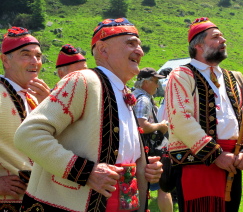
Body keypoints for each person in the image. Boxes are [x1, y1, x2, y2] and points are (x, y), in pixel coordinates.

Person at [14, 18, 163, 212]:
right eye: (130, 43)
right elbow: (28, 134)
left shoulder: (122, 92)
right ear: (103, 49)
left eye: (139, 45)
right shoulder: (83, 81)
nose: (140, 51)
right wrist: (86, 172)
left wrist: (144, 170)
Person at [165, 17, 243, 212]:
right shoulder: (181, 75)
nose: (224, 40)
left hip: (233, 163)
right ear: (199, 45)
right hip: (196, 163)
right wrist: (216, 154)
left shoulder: (234, 77)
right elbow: (180, 119)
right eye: (216, 37)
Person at [0, 26, 50, 211]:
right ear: (5, 60)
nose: (35, 62)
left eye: (38, 56)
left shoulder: (34, 97)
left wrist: (49, 105)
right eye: (26, 55)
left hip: (34, 200)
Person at [132, 67, 173, 212]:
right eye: (155, 81)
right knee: (163, 187)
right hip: (148, 149)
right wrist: (161, 126)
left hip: (137, 150)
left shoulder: (134, 94)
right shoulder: (143, 99)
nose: (157, 85)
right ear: (146, 82)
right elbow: (142, 125)